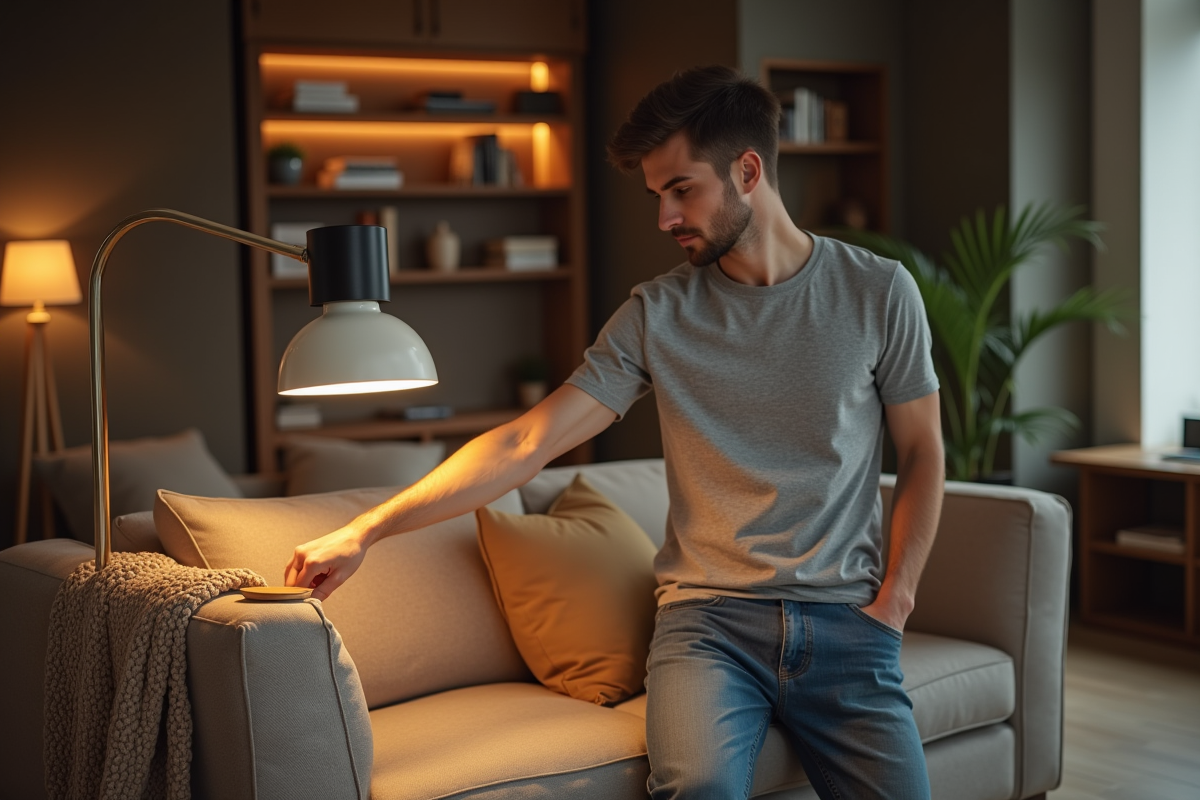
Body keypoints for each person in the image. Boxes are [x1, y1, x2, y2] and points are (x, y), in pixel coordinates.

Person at [285, 65, 945, 800]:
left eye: (681, 189)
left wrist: (896, 602)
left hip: (849, 626)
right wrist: (365, 531)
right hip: (710, 628)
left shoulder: (879, 291)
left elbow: (921, 452)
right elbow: (523, 443)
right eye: (656, 195)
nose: (664, 217)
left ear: (748, 170)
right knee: (696, 789)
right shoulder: (656, 315)